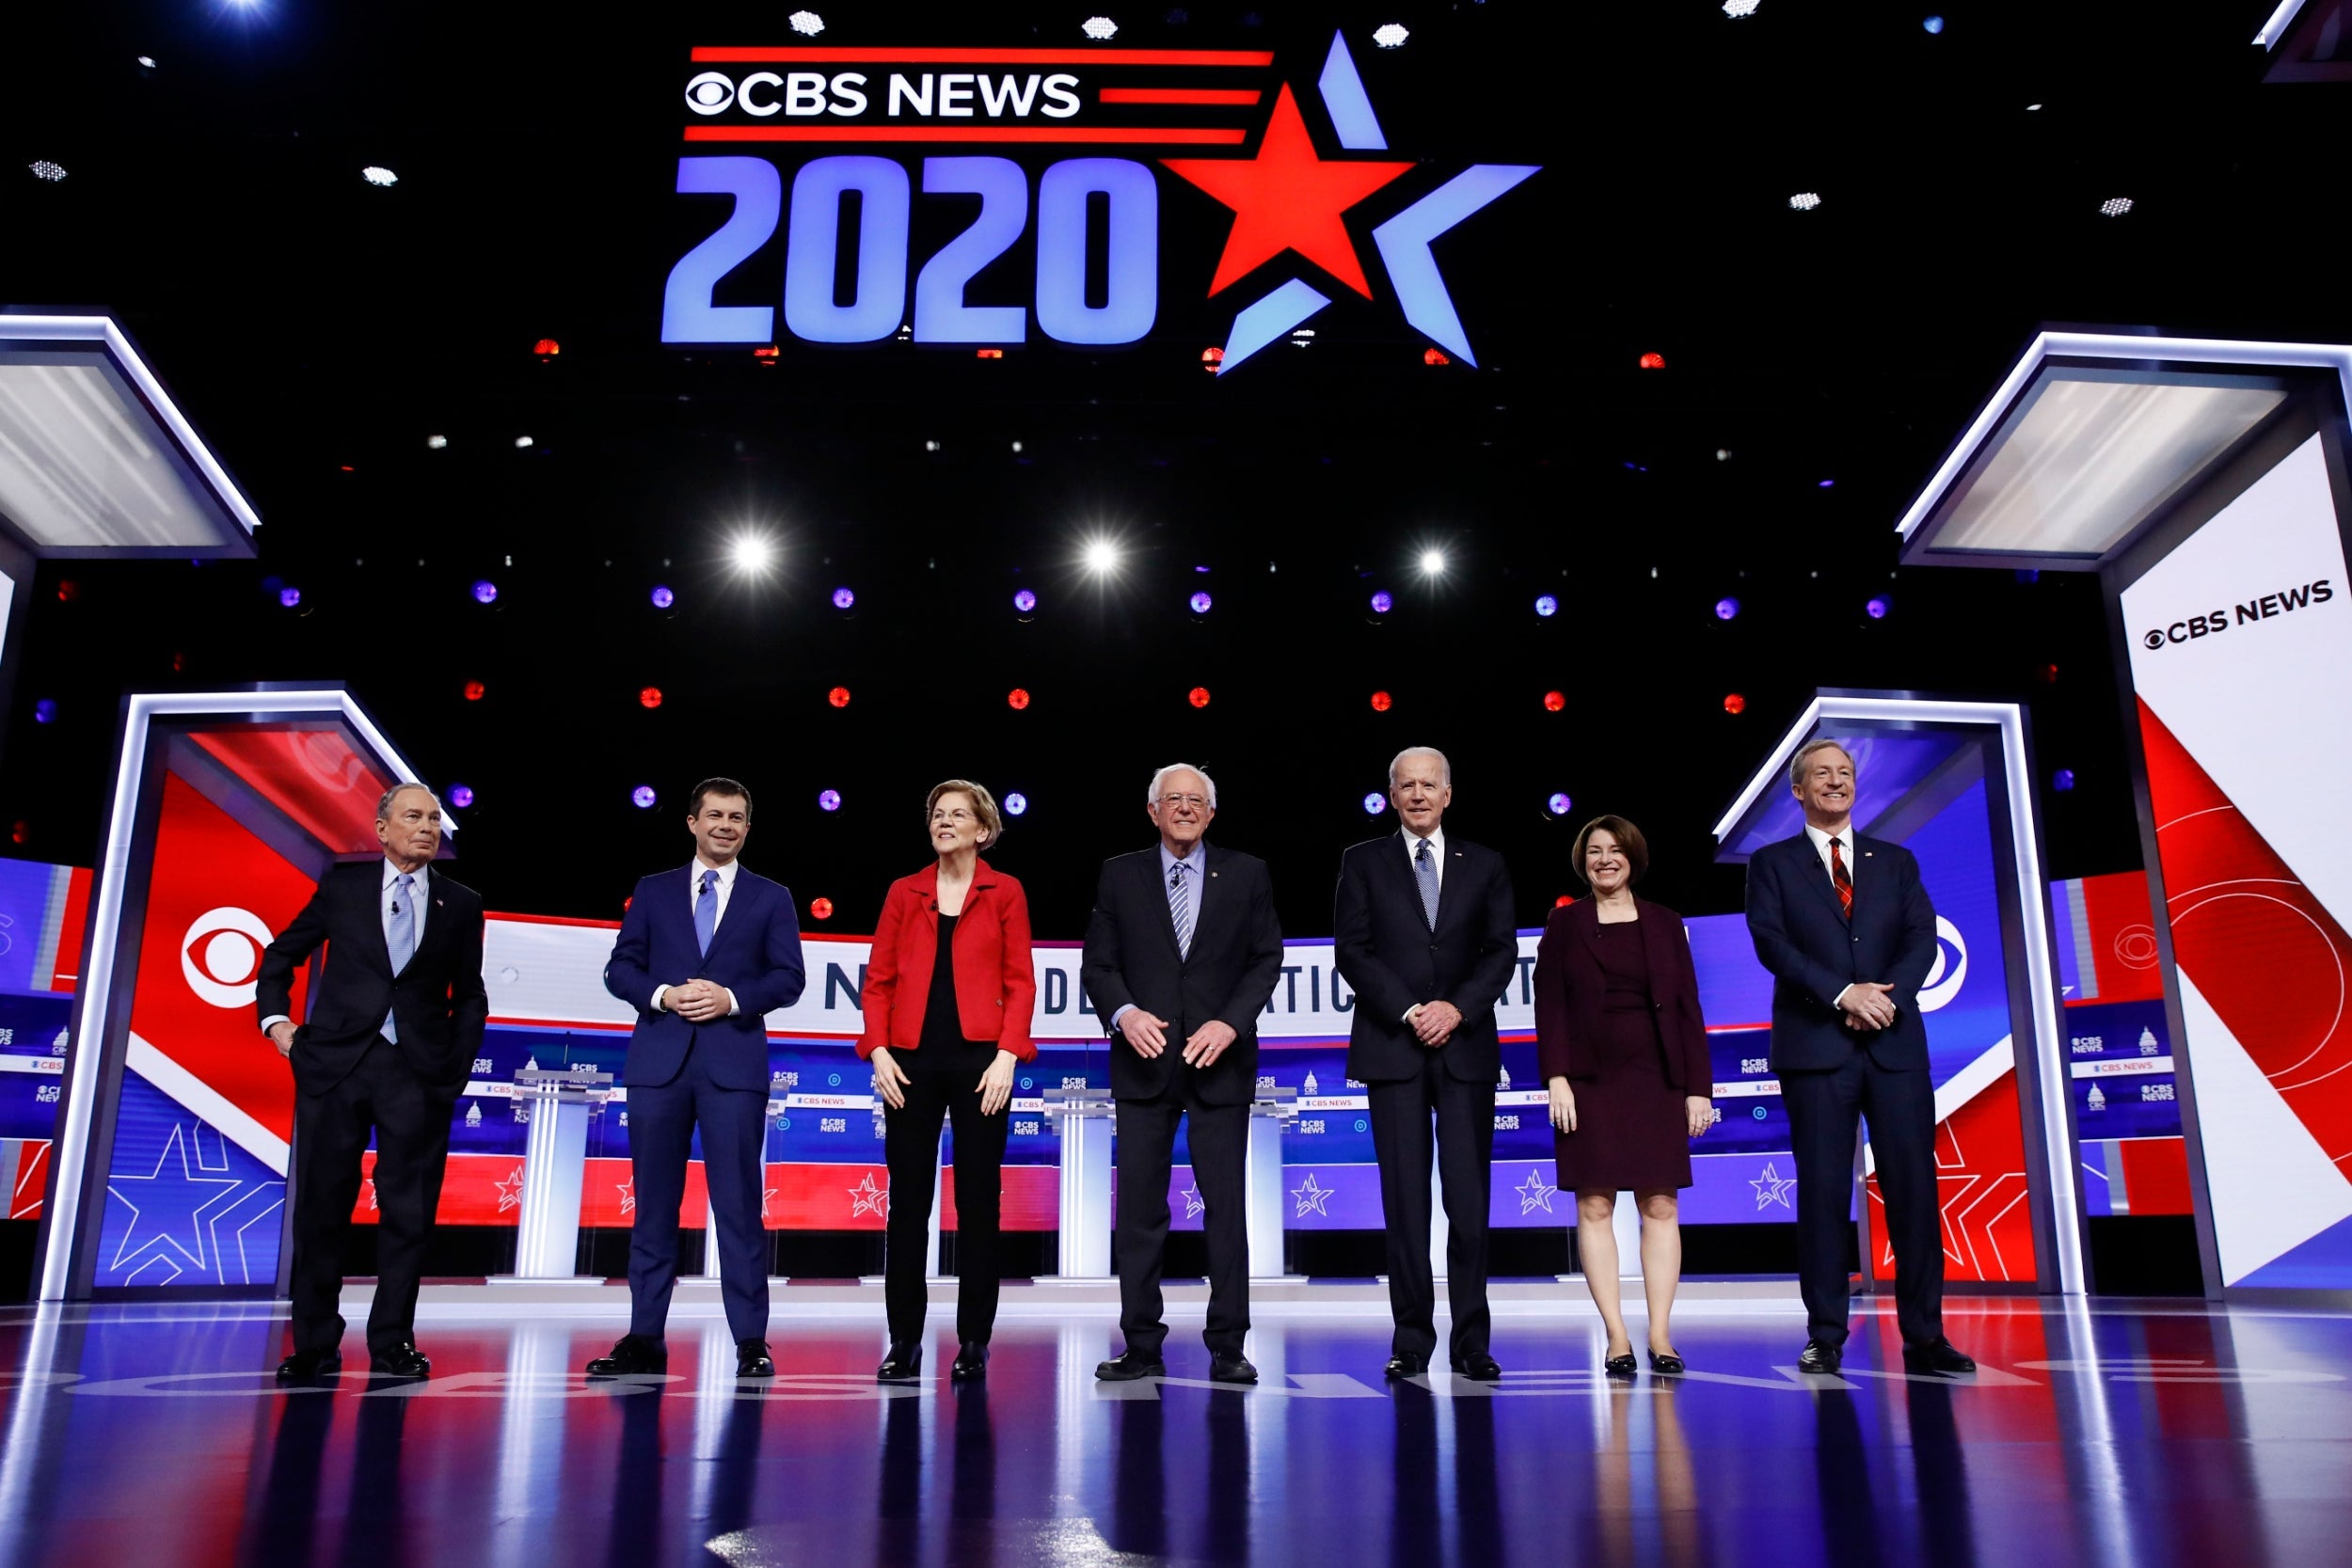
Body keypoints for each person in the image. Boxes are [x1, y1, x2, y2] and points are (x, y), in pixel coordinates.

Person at [1744, 738, 1975, 1376]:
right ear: (1798, 789)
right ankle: (1825, 1334)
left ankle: (1926, 1335)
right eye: (1822, 774)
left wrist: (1883, 998)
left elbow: (1921, 939)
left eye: (1845, 773)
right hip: (1816, 1050)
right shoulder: (1772, 863)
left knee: (1913, 1190)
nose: (1837, 782)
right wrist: (1843, 992)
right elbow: (1772, 943)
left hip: (1893, 1046)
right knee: (1821, 1194)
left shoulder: (1895, 861)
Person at [255, 783, 488, 1382]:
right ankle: (313, 1344)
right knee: (322, 1209)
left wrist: (454, 1064)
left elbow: (469, 994)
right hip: (336, 1066)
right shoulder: (344, 887)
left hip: (416, 1074)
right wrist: (280, 1026)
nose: (428, 827)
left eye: (434, 819)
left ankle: (392, 1342)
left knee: (408, 1214)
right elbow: (282, 956)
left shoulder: (460, 903)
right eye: (414, 817)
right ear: (382, 829)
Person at [589, 777, 807, 1380]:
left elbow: (789, 979)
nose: (725, 826)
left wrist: (731, 998)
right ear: (691, 822)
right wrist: (663, 994)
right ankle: (644, 1337)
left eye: (737, 817)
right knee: (652, 1208)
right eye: (714, 815)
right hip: (659, 1067)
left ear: (746, 826)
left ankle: (750, 1342)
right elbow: (620, 969)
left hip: (732, 1070)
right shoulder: (652, 891)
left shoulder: (772, 897)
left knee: (738, 1208)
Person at [1080, 763, 1282, 1385]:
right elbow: (1099, 964)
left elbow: (1265, 957)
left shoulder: (1247, 873)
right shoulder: (1121, 873)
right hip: (1144, 1064)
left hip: (1220, 1062)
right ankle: (1140, 1342)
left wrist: (1231, 1022)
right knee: (1140, 1211)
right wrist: (1124, 1012)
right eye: (1175, 799)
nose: (1186, 807)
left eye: (1197, 800)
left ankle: (1228, 1343)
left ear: (1212, 813)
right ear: (1153, 810)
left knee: (1225, 1209)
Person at [1333, 746, 1518, 1381]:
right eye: (1405, 785)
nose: (1417, 794)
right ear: (1391, 794)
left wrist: (1455, 1009)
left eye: (1428, 785)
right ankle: (1411, 1337)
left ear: (1447, 794)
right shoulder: (1362, 862)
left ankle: (1472, 1340)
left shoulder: (1485, 864)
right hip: (1394, 1048)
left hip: (1464, 1050)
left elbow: (1500, 953)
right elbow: (1352, 952)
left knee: (1468, 1203)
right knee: (1405, 1204)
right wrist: (1413, 1009)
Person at [857, 779, 1038, 1384]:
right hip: (909, 1063)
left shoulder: (1005, 890)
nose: (944, 821)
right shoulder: (903, 891)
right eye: (937, 813)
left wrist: (1009, 1054)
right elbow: (878, 979)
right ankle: (903, 1340)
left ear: (983, 830)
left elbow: (1019, 981)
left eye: (958, 814)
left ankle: (973, 1341)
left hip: (982, 1064)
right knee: (907, 1206)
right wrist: (877, 1049)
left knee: (978, 1204)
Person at [1533, 815, 1714, 1376]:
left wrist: (1697, 1090)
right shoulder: (1564, 925)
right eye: (1594, 851)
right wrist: (1556, 1077)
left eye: (1614, 850)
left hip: (1657, 1077)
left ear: (1633, 856)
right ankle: (1616, 1337)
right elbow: (1551, 1006)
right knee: (1594, 1204)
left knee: (1660, 1204)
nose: (1604, 859)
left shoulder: (1665, 923)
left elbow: (1688, 1008)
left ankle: (1660, 1334)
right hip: (1588, 1081)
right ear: (1581, 860)